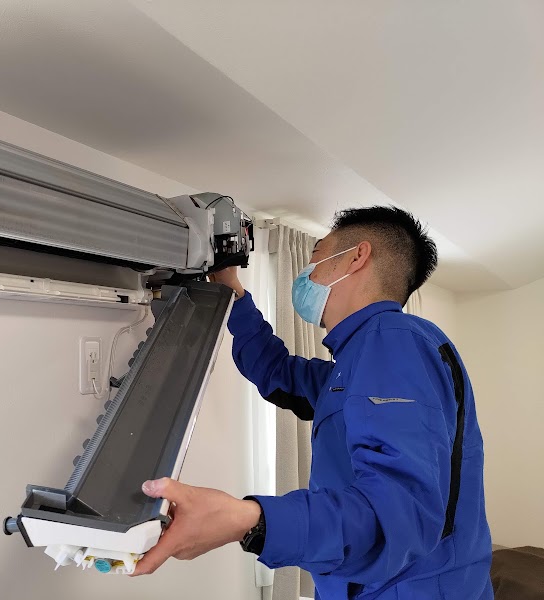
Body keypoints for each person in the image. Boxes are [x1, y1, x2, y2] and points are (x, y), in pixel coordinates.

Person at [132, 206, 493, 599]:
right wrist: (233, 290)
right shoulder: (355, 363)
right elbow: (277, 372)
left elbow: (398, 513)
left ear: (357, 256)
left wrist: (248, 519)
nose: (308, 272)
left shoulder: (395, 339)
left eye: (316, 255)